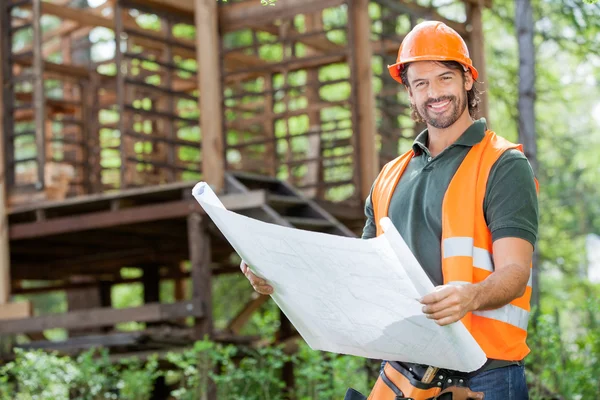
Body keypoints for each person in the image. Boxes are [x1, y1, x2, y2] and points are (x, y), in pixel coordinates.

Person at [240, 20, 538, 400]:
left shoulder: (503, 164)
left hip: (485, 377)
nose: (435, 93)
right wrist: (278, 278)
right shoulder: (389, 177)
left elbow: (516, 271)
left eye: (445, 78)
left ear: (467, 80)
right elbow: (358, 279)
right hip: (404, 378)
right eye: (421, 84)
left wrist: (472, 295)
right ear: (410, 95)